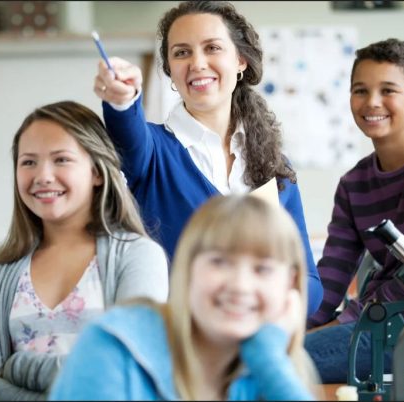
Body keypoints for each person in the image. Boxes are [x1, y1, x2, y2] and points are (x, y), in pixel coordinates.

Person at [92, 0, 323, 316]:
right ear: (170, 71)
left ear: (240, 60)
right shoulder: (152, 151)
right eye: (182, 53)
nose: (197, 63)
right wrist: (122, 98)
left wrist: (261, 307)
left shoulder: (273, 165)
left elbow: (308, 282)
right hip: (177, 349)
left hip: (258, 341)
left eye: (212, 48)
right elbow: (126, 132)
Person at [0, 101, 169, 400]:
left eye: (61, 159)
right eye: (28, 162)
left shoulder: (138, 257)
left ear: (97, 172)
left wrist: (18, 367)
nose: (43, 176)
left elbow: (121, 373)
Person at [49, 195, 321, 400]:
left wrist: (268, 359)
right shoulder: (112, 347)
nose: (240, 285)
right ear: (188, 269)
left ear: (291, 284)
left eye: (262, 269)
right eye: (219, 262)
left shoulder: (275, 362)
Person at [306, 38, 404, 383]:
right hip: (377, 320)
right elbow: (331, 278)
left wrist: (343, 323)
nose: (372, 102)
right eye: (360, 90)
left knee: (276, 364)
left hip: (398, 325)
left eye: (388, 90)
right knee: (264, 352)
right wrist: (294, 327)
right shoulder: (354, 184)